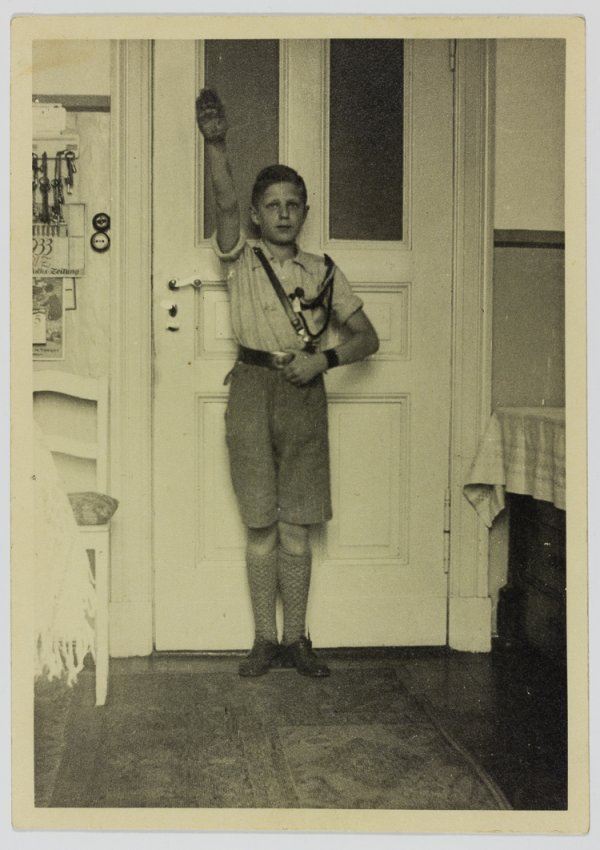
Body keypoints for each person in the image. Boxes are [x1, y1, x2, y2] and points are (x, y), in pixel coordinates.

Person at [196, 89, 379, 678]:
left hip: (303, 392)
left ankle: (297, 639)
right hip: (251, 389)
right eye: (271, 205)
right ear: (256, 214)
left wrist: (323, 362)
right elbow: (224, 201)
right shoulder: (241, 259)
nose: (282, 214)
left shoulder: (323, 271)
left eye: (292, 205)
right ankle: (262, 640)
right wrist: (216, 143)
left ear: (304, 212)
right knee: (260, 524)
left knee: (297, 526)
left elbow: (367, 338)